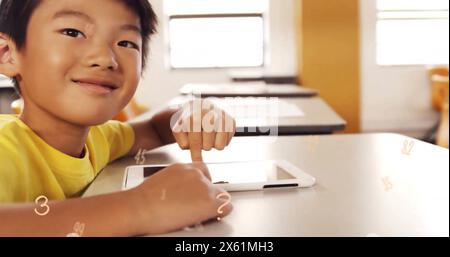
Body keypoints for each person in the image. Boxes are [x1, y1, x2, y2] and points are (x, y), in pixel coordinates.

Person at [0, 0, 235, 236]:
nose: (105, 59)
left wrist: (191, 113)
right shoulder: (5, 147)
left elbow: (154, 129)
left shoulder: (98, 139)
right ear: (7, 54)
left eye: (126, 42)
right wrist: (143, 206)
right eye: (73, 32)